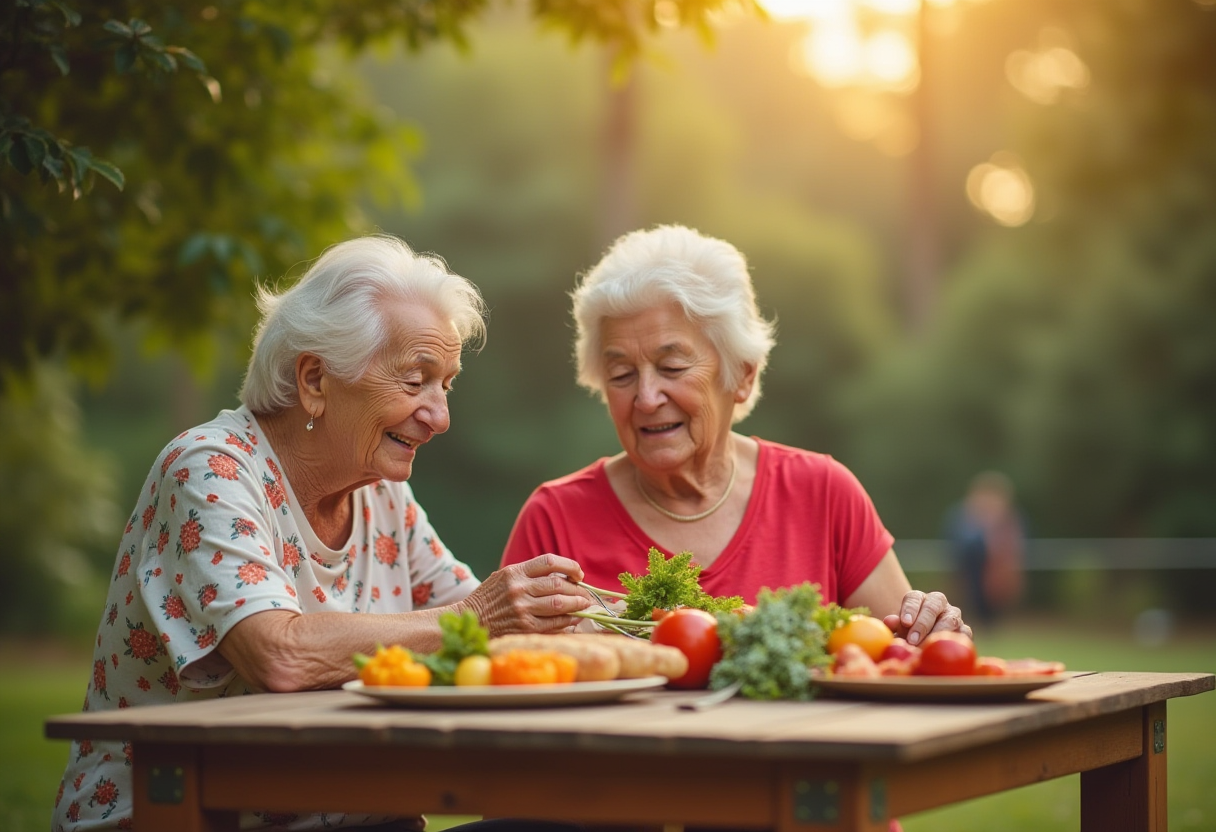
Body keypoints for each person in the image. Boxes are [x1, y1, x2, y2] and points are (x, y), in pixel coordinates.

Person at [53, 235, 593, 832]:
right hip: (182, 816)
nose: (440, 417)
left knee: (588, 820)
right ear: (315, 379)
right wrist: (484, 614)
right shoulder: (212, 468)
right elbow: (281, 654)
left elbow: (489, 627)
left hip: (365, 818)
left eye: (447, 384)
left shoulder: (381, 492)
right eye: (416, 381)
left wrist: (649, 620)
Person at [501, 224, 971, 647]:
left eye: (672, 367)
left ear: (741, 375)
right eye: (621, 373)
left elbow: (903, 657)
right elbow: (511, 682)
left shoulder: (824, 493)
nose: (646, 398)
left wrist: (932, 631)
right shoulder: (555, 520)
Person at [945, 471, 1026, 627]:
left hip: (997, 573)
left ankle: (990, 625)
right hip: (970, 572)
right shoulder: (963, 516)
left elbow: (1015, 547)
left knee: (992, 607)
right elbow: (960, 544)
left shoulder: (1010, 520)